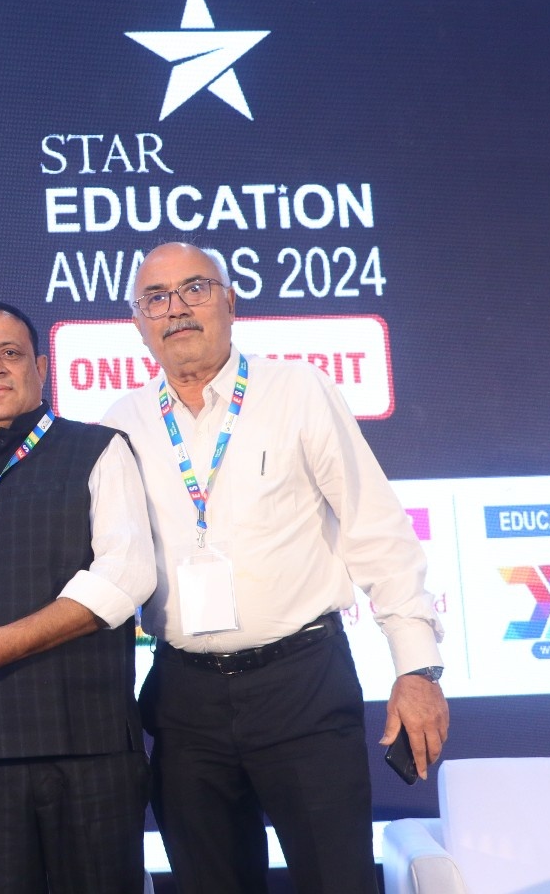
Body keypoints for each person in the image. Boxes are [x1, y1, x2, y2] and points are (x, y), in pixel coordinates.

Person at [101, 242, 449, 894]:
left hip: (302, 687)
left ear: (230, 303)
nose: (176, 309)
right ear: (139, 323)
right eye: (156, 298)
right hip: (184, 702)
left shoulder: (297, 391)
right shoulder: (120, 426)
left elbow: (376, 528)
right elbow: (90, 558)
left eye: (195, 289)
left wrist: (416, 667)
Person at [0, 300, 157, 894]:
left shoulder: (99, 448)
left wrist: (9, 643)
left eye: (9, 353)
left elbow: (125, 576)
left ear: (41, 368)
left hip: (86, 742)